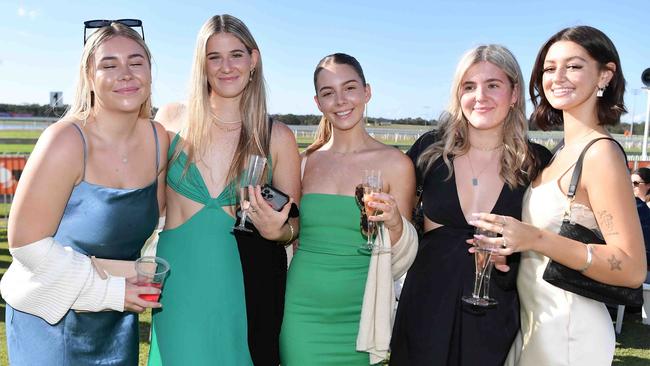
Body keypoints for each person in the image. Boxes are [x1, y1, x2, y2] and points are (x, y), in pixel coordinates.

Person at [470, 26, 647, 365]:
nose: (558, 77)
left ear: (605, 75)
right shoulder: (560, 152)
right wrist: (510, 250)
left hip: (569, 334)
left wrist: (534, 238)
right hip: (535, 324)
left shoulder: (600, 153)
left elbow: (631, 268)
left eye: (574, 66)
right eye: (550, 68)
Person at [0, 21, 168, 365]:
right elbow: (26, 245)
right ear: (89, 77)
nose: (125, 73)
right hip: (50, 318)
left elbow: (159, 224)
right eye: (109, 65)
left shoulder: (158, 140)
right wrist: (112, 292)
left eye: (136, 62)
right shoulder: (65, 140)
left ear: (150, 73)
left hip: (116, 320)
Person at [147, 14, 300, 365]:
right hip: (179, 278)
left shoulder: (276, 136)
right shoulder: (169, 120)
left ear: (253, 60)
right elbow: (148, 205)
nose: (226, 66)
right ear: (201, 64)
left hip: (246, 283)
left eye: (236, 55)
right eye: (214, 57)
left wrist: (280, 230)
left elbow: (295, 224)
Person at [389, 45, 551, 366]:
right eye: (469, 86)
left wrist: (513, 256)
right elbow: (397, 227)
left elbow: (547, 241)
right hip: (426, 307)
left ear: (514, 93)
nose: (480, 96)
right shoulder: (430, 151)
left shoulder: (537, 162)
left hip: (497, 313)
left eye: (493, 85)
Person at [279, 53, 418, 365]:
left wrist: (395, 223)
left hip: (362, 315)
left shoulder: (397, 165)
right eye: (328, 92)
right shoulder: (305, 163)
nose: (340, 100)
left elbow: (404, 254)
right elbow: (293, 237)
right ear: (317, 102)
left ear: (367, 92)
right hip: (302, 314)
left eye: (350, 88)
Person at [631, 168, 650, 283]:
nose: (632, 186)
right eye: (629, 183)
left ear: (648, 185)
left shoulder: (643, 207)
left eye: (636, 183)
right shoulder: (633, 206)